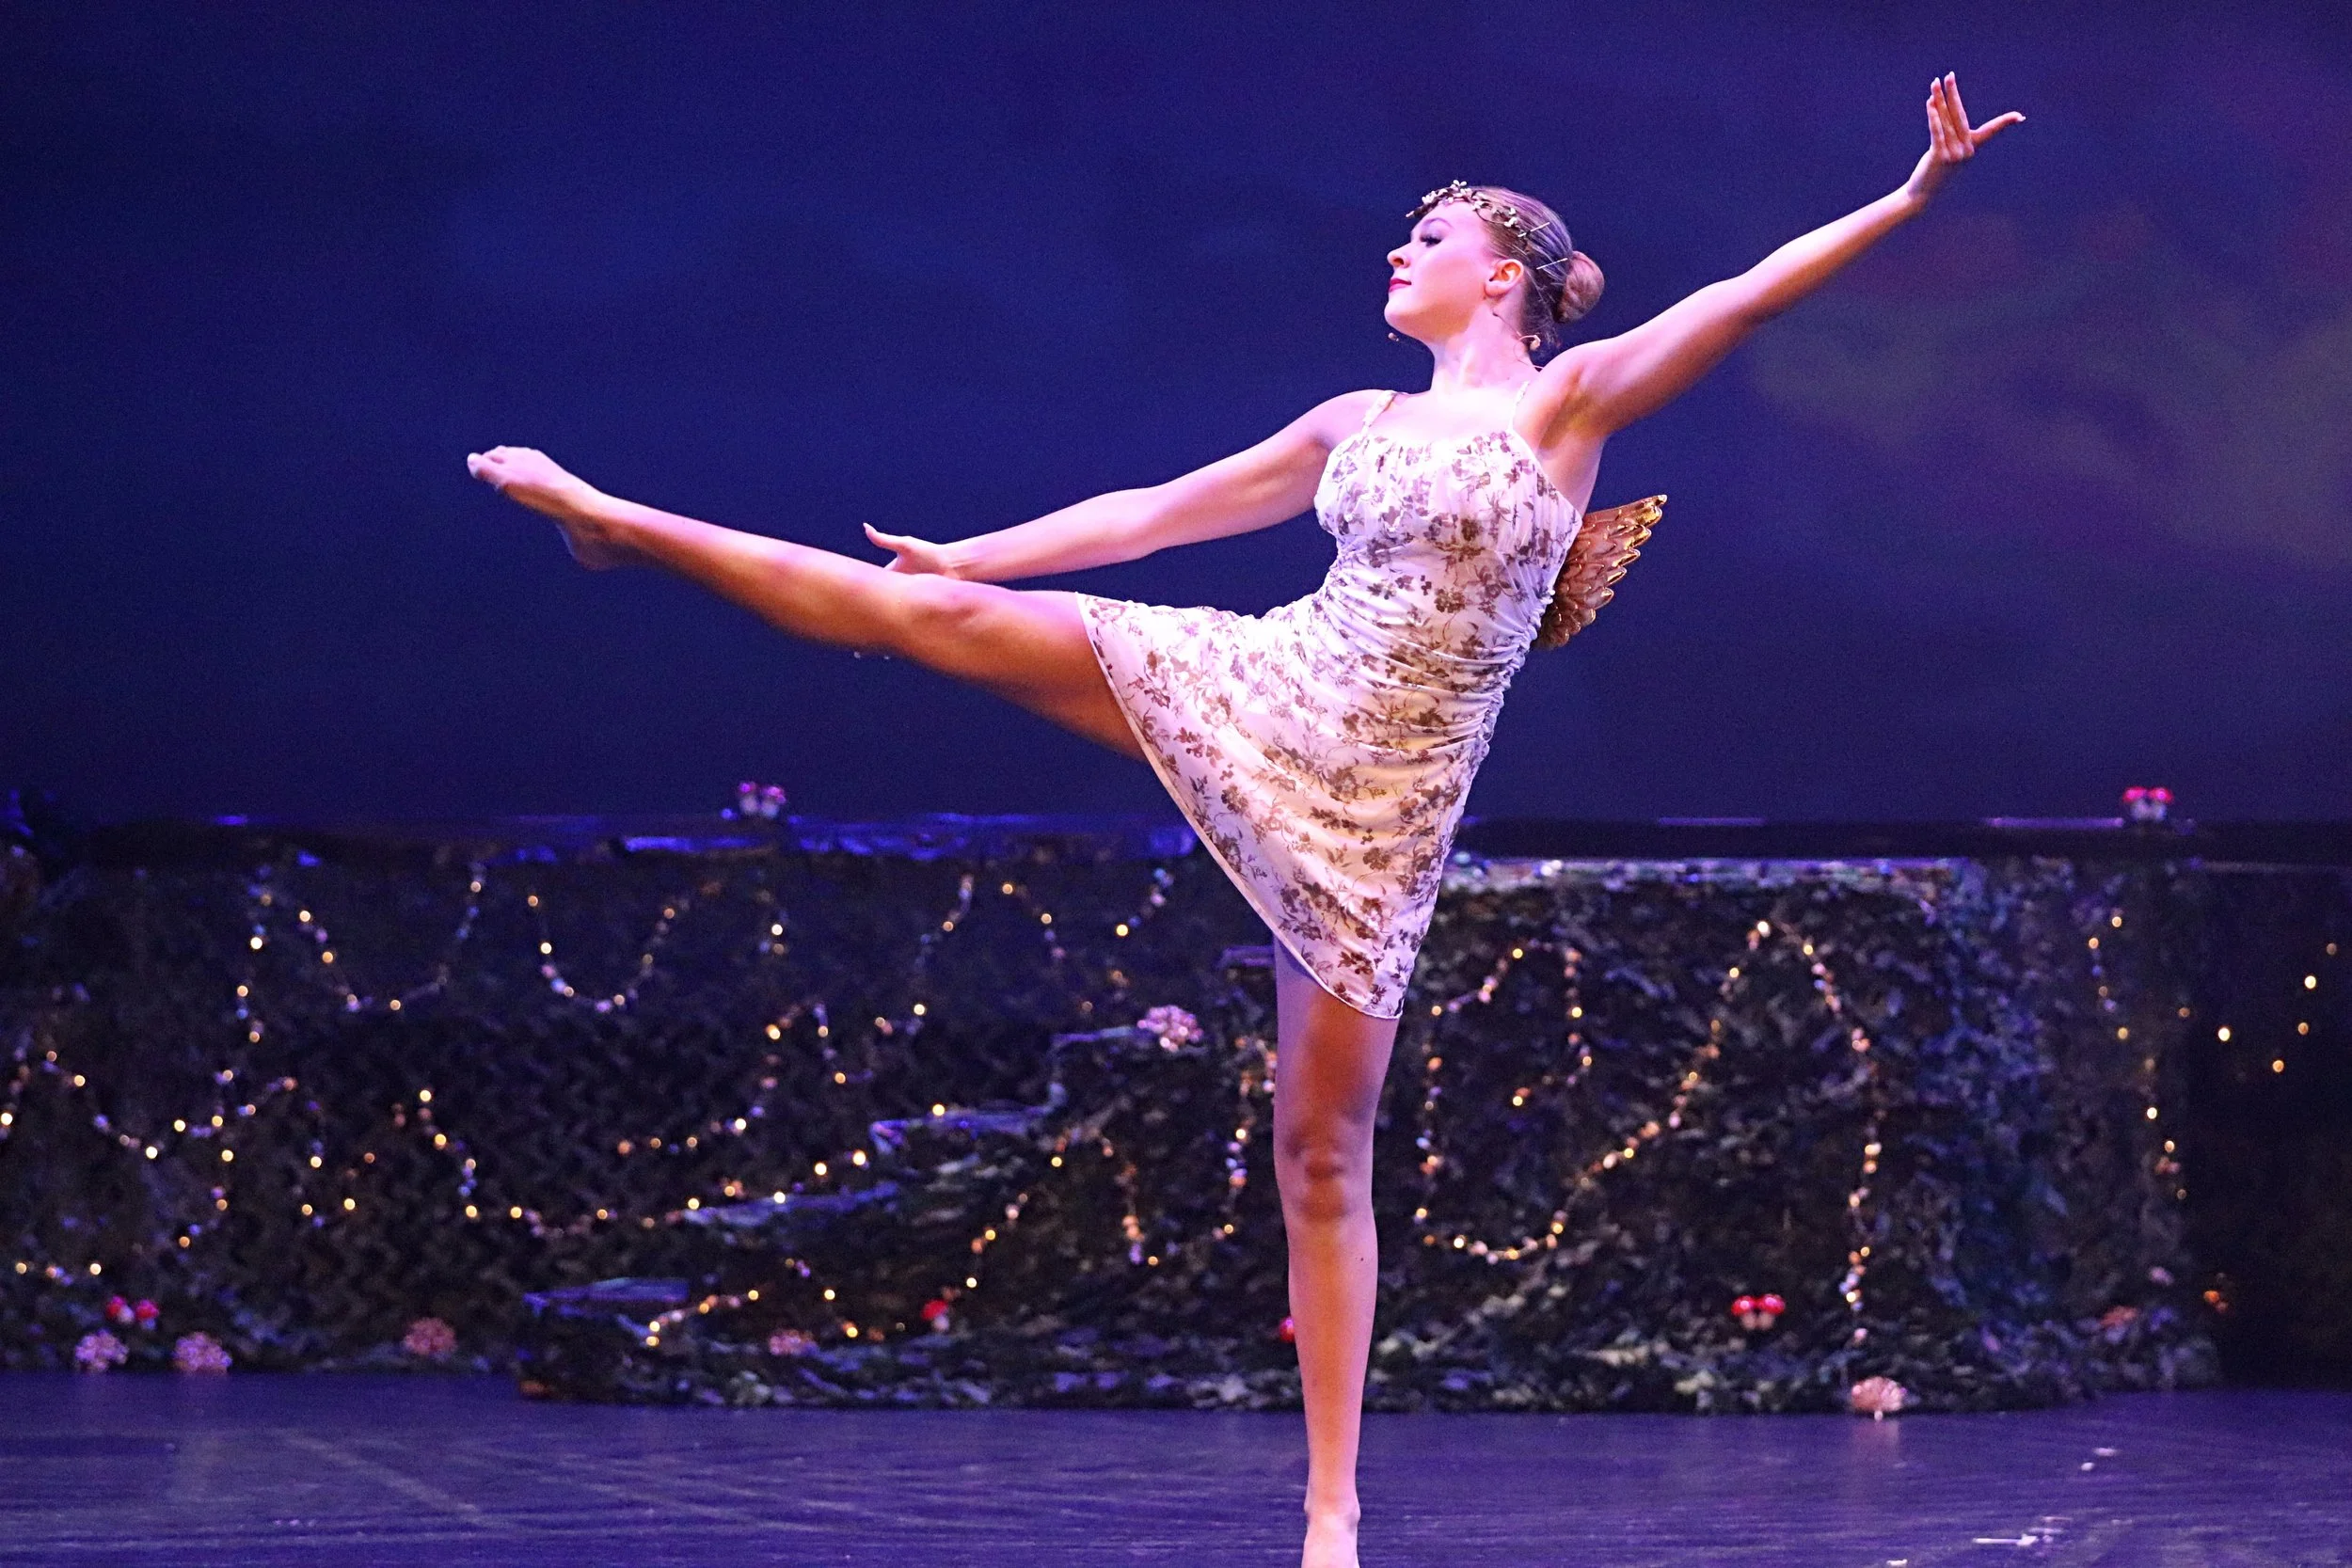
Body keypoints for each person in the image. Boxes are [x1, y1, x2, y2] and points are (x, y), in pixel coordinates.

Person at [469, 72, 2020, 1568]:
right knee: (918, 617)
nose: (1400, 250)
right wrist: (971, 555)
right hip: (1269, 686)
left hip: (1387, 807)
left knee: (1321, 1149)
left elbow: (1742, 299)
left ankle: (1331, 1512)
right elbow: (1158, 513)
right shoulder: (1354, 418)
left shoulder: (1567, 404)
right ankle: (617, 523)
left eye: (1430, 235)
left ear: (1505, 276)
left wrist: (1909, 195)